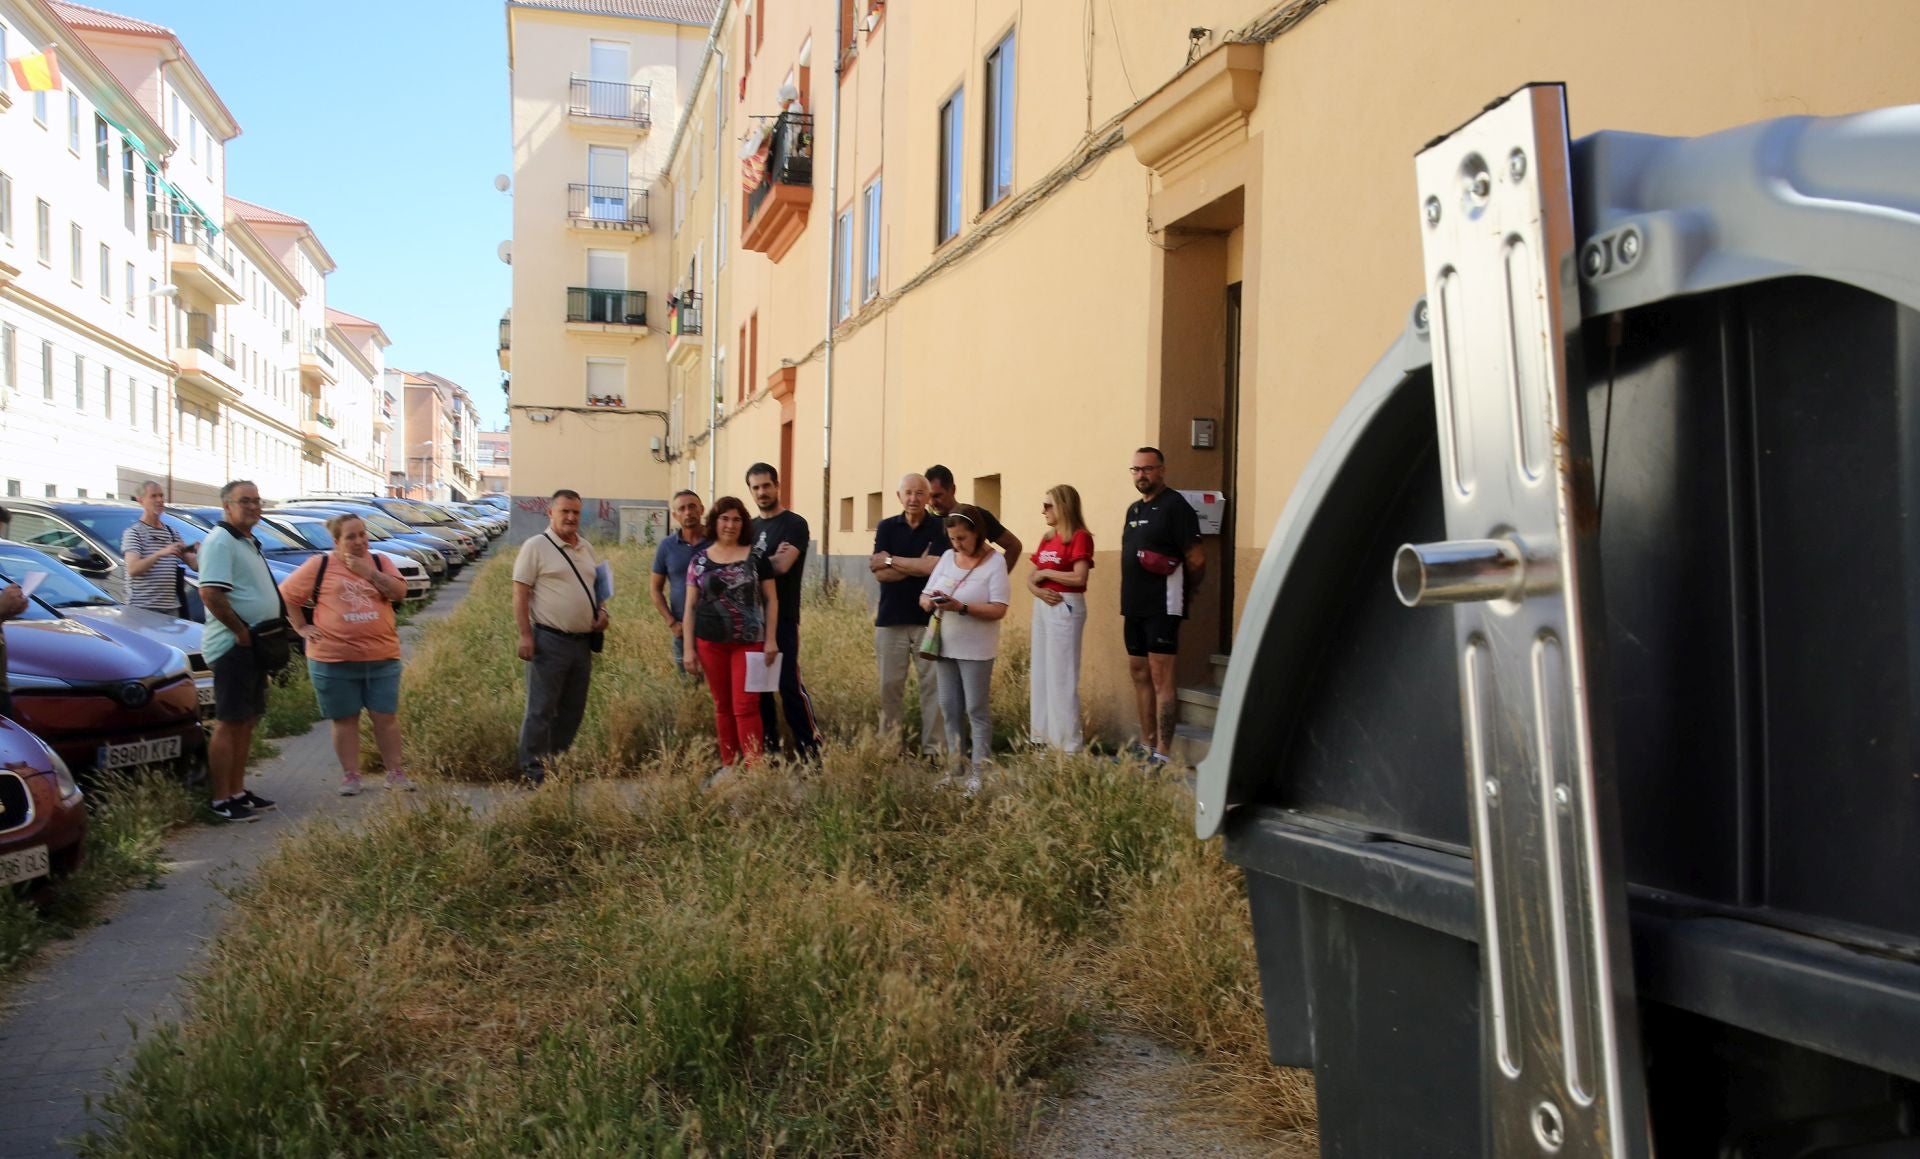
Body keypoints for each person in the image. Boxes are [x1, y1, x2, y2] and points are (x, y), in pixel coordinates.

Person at [280, 513, 413, 795]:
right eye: (350, 536)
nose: (358, 541)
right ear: (336, 541)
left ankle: (395, 773)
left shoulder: (380, 561)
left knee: (385, 717)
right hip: (333, 659)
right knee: (345, 719)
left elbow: (400, 592)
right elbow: (288, 595)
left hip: (381, 657)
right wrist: (302, 627)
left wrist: (370, 574)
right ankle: (351, 776)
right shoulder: (321, 564)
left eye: (362, 534)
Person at [197, 480, 280, 820]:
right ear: (227, 506)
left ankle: (237, 790)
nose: (252, 506)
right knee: (229, 722)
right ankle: (221, 799)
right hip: (234, 647)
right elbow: (211, 594)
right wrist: (240, 631)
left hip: (254, 645)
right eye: (244, 501)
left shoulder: (246, 540)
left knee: (247, 720)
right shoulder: (220, 541)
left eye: (257, 501)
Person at [513, 489, 608, 786]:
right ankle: (532, 769)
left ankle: (555, 761)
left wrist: (602, 613)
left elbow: (597, 591)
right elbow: (520, 593)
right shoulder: (535, 546)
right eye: (564, 511)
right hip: (548, 641)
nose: (570, 517)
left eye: (576, 512)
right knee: (541, 709)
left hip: (581, 644)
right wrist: (525, 635)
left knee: (572, 710)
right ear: (550, 513)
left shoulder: (586, 548)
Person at [1120, 447, 1205, 763]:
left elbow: (1196, 559)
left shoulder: (1176, 506)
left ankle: (1164, 754)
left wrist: (1186, 592)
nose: (1142, 475)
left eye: (1148, 469)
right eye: (1136, 469)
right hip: (1134, 605)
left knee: (1160, 677)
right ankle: (1146, 745)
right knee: (1138, 671)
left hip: (1163, 605)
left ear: (1162, 470)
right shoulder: (1134, 510)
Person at [682, 495, 779, 772]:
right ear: (714, 522)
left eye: (737, 519)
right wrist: (689, 650)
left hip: (749, 643)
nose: (730, 524)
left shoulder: (757, 557)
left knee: (746, 705)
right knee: (723, 705)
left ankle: (754, 768)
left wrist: (770, 639)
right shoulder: (699, 560)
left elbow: (771, 600)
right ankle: (730, 765)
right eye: (725, 518)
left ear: (743, 523)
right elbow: (689, 607)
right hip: (710, 643)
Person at [920, 505, 1011, 794]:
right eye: (953, 539)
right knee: (949, 708)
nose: (957, 544)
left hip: (977, 649)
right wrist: (931, 601)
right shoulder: (948, 558)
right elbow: (924, 595)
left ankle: (979, 772)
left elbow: (999, 608)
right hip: (945, 646)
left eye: (962, 538)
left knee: (976, 709)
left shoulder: (994, 563)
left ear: (977, 533)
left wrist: (962, 607)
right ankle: (954, 769)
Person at [869, 473, 948, 754]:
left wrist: (892, 560)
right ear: (899, 496)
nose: (914, 498)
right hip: (890, 620)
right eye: (909, 493)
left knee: (934, 688)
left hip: (930, 620)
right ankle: (889, 749)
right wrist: (919, 564)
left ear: (928, 497)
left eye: (920, 493)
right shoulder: (887, 527)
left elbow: (933, 569)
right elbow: (881, 575)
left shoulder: (941, 527)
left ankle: (934, 751)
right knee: (889, 687)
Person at [746, 463, 821, 760]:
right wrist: (766, 563)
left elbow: (783, 565)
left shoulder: (794, 524)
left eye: (766, 486)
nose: (762, 492)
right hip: (753, 619)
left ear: (777, 486)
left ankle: (811, 751)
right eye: (756, 488)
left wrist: (754, 565)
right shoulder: (749, 527)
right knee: (760, 690)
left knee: (789, 685)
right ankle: (771, 752)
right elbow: (764, 566)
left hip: (785, 616)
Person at [1026, 484, 1095, 752]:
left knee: (1062, 675)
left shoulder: (1079, 537)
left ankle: (1068, 746)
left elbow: (1079, 577)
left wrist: (1047, 575)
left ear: (1063, 506)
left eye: (1048, 505)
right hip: (1043, 604)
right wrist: (1037, 587)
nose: (1043, 510)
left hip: (1065, 605)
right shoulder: (1047, 537)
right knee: (1042, 671)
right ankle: (1043, 738)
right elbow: (1032, 576)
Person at [650, 489, 709, 678]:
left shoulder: (716, 542)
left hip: (715, 629)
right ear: (675, 515)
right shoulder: (666, 546)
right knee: (688, 686)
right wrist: (671, 622)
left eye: (692, 506)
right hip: (682, 631)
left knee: (716, 686)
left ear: (701, 509)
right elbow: (655, 589)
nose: (688, 512)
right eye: (682, 509)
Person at [924, 464, 1022, 571]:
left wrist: (997, 577)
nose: (932, 502)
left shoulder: (977, 515)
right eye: (928, 496)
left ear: (952, 490)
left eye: (937, 496)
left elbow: (1014, 545)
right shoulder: (925, 521)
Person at [121, 480, 196, 617]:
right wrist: (160, 553)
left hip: (171, 608)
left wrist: (201, 551)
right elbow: (133, 569)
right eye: (154, 496)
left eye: (161, 496)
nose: (159, 500)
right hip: (142, 608)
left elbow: (194, 565)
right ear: (141, 500)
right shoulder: (134, 533)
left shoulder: (172, 532)